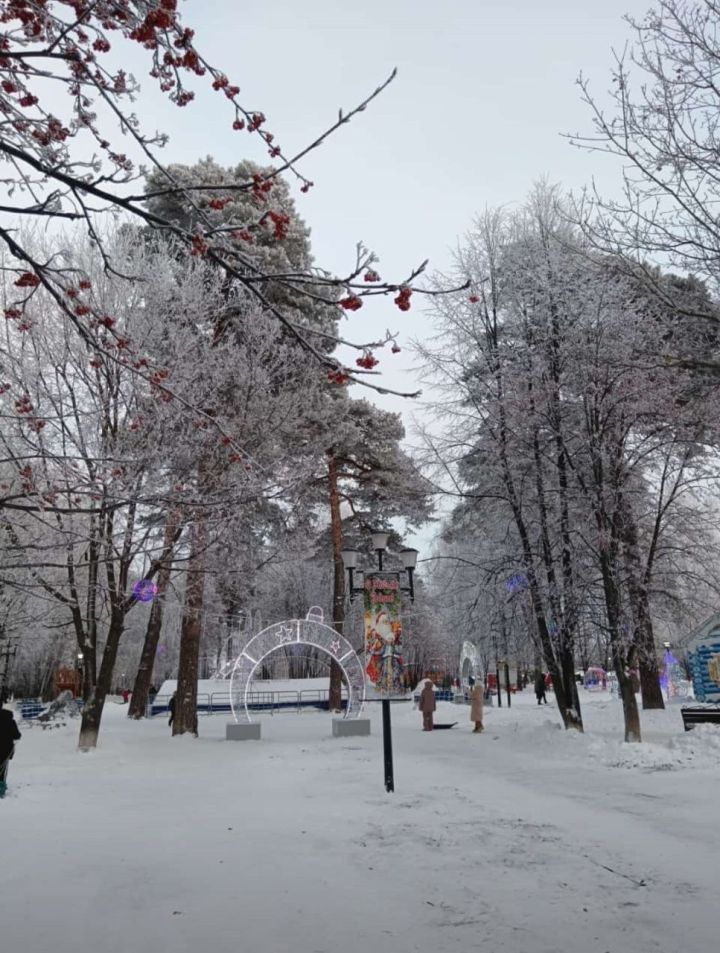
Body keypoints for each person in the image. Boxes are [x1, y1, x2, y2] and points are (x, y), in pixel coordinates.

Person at [0, 698, 22, 798]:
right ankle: (1, 790)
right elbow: (17, 735)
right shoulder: (9, 719)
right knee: (2, 771)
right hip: (6, 751)